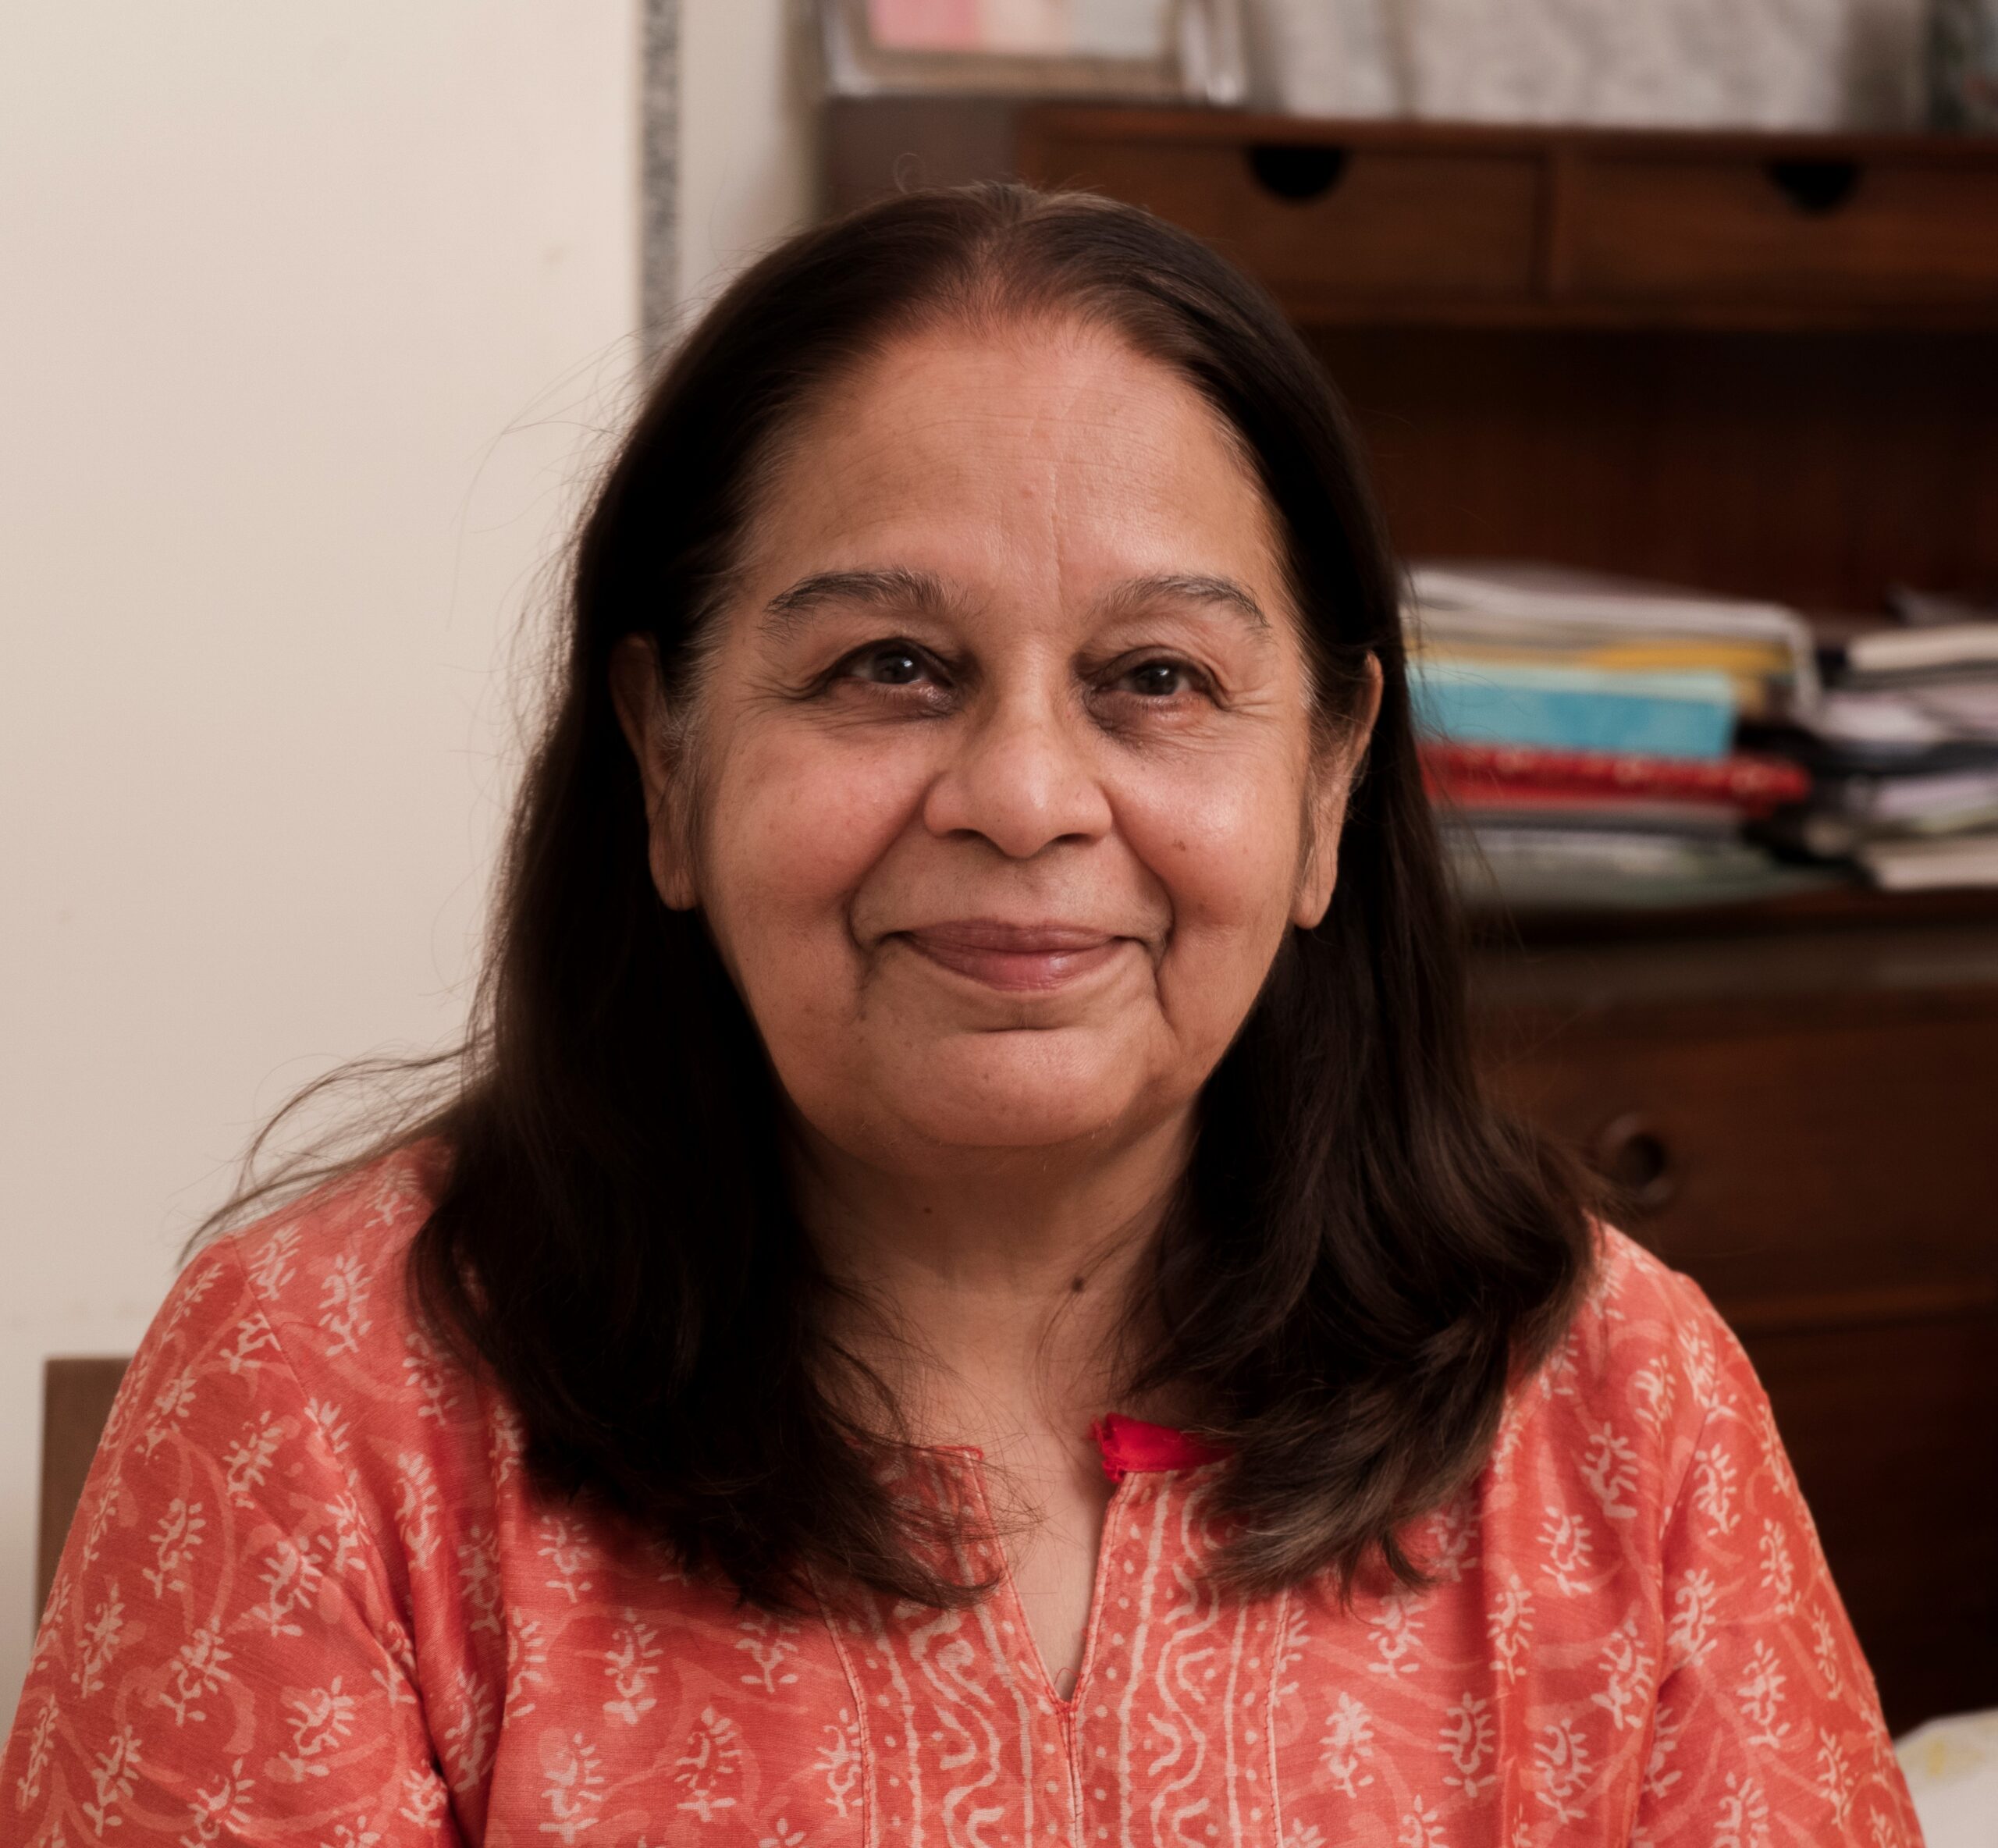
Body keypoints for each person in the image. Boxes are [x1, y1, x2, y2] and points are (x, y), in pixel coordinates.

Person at [4, 184, 1918, 1846]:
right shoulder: (322, 1400)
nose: (1022, 794)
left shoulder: (1616, 1407)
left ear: (1329, 780)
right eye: (889, 665)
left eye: (1154, 677)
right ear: (666, 758)